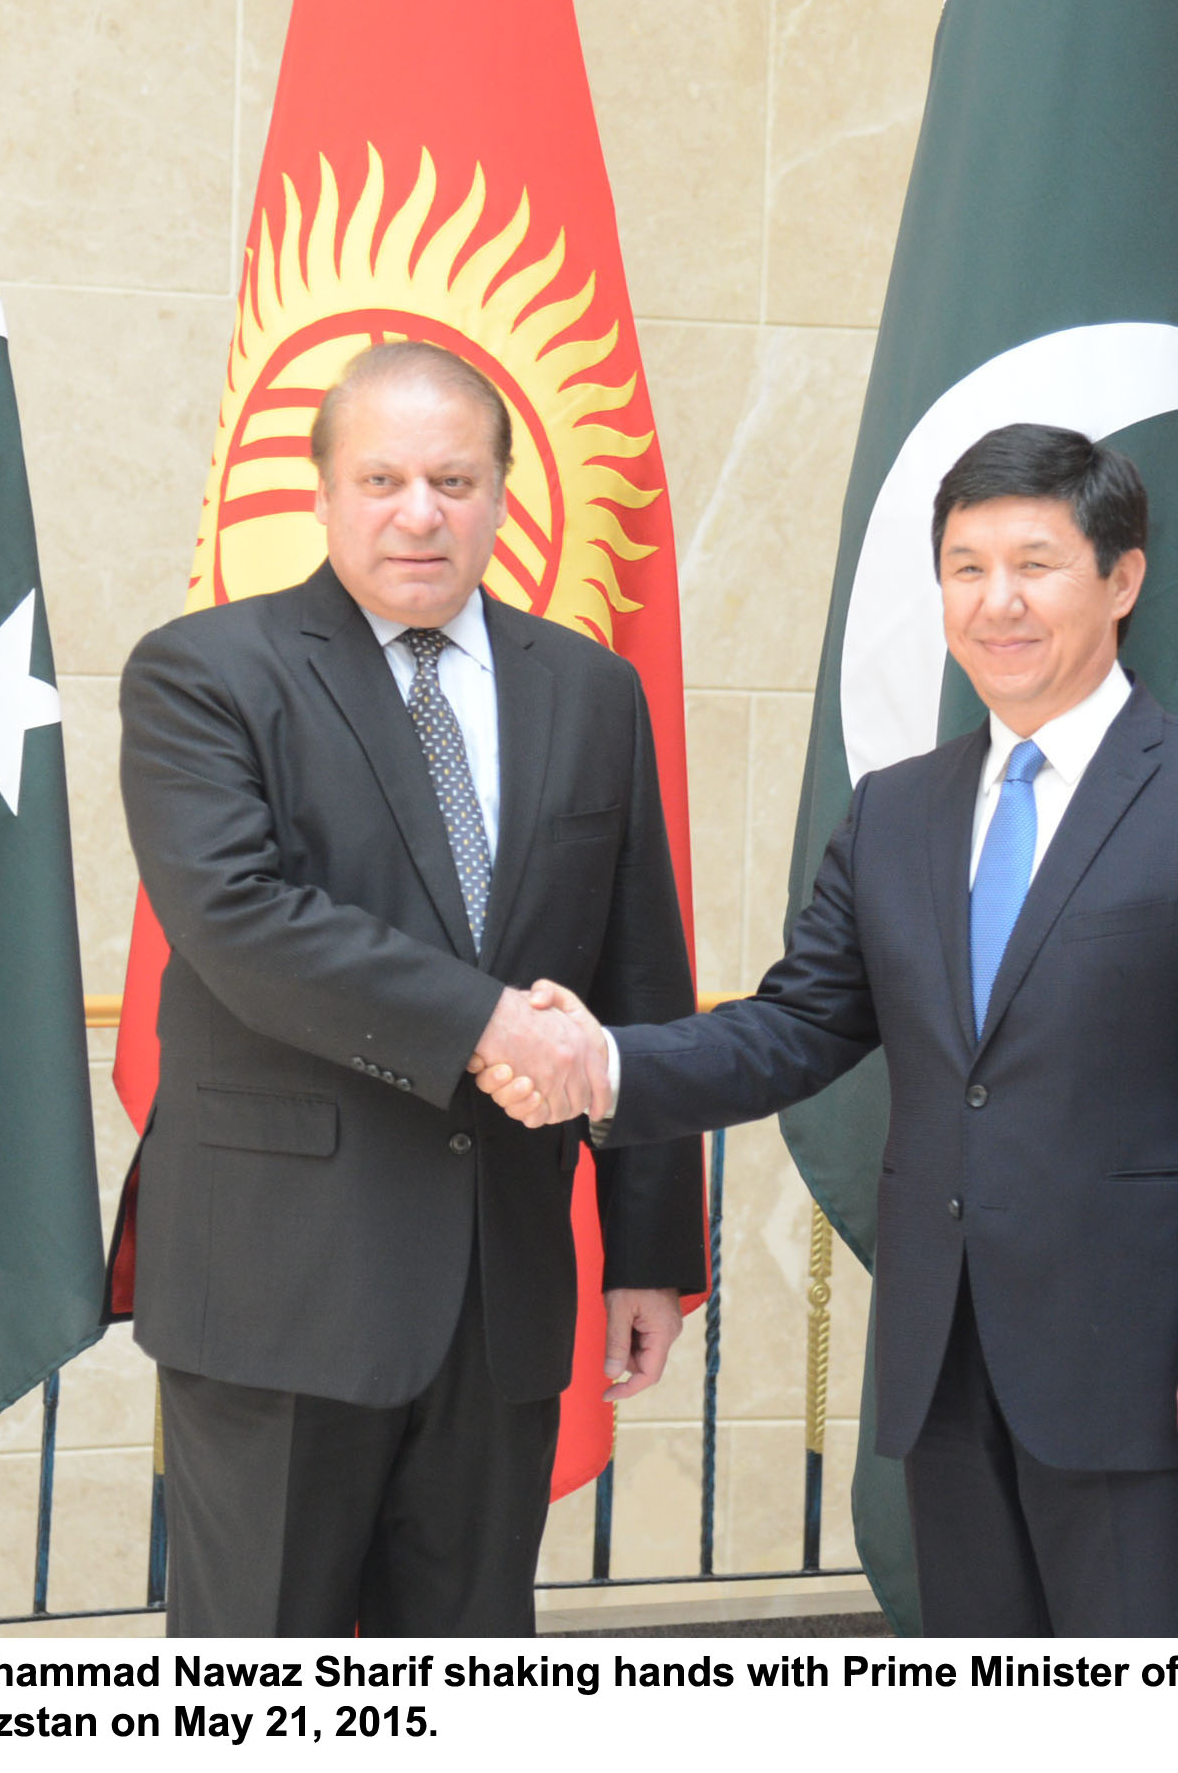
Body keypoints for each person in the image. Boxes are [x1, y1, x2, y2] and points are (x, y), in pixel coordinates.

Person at [479, 423, 1178, 1636]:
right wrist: (604, 1061)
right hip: (944, 1366)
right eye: (965, 566)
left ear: (1122, 578)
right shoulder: (899, 811)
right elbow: (793, 1028)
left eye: (1035, 564)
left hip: (1142, 1379)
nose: (998, 603)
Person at [118, 340, 703, 1637]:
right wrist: (489, 1022)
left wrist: (654, 1247)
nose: (420, 510)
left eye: (455, 476)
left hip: (499, 1290)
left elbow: (639, 975)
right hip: (281, 1290)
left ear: (504, 494)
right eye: (381, 477)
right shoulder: (205, 674)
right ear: (319, 492)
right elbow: (240, 919)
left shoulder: (591, 692)